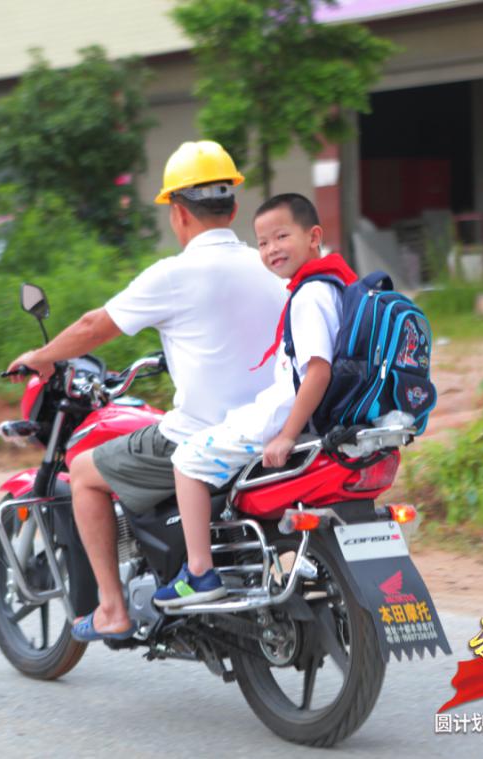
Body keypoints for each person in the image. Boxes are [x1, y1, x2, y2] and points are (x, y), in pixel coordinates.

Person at [6, 140, 286, 641]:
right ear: (233, 208)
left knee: (84, 471)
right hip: (277, 427)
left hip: (202, 435)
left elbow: (94, 326)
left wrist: (41, 357)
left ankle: (112, 609)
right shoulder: (269, 266)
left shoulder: (174, 275)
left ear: (179, 213)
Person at [153, 193, 357, 607]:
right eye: (262, 242)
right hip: (297, 414)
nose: (271, 249)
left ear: (313, 236)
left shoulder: (309, 296)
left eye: (281, 237)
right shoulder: (335, 285)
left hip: (279, 419)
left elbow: (317, 372)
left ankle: (199, 572)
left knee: (187, 459)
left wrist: (287, 435)